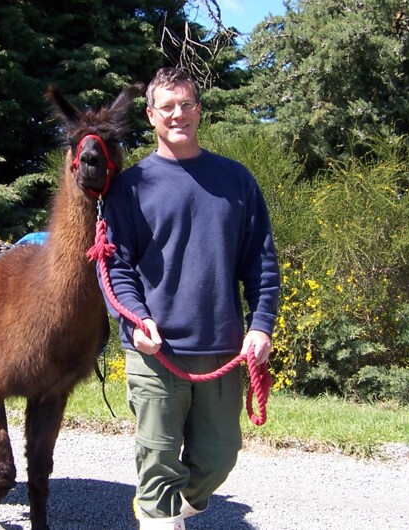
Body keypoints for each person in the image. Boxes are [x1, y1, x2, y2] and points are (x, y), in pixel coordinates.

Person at [99, 67, 280, 530]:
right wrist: (137, 319)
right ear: (151, 115)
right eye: (167, 107)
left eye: (186, 105)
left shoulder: (236, 181)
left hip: (221, 347)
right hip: (153, 351)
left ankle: (175, 508)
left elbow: (260, 263)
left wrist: (261, 326)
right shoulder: (131, 187)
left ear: (198, 110)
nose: (178, 115)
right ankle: (159, 515)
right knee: (157, 457)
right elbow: (115, 267)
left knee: (220, 457)